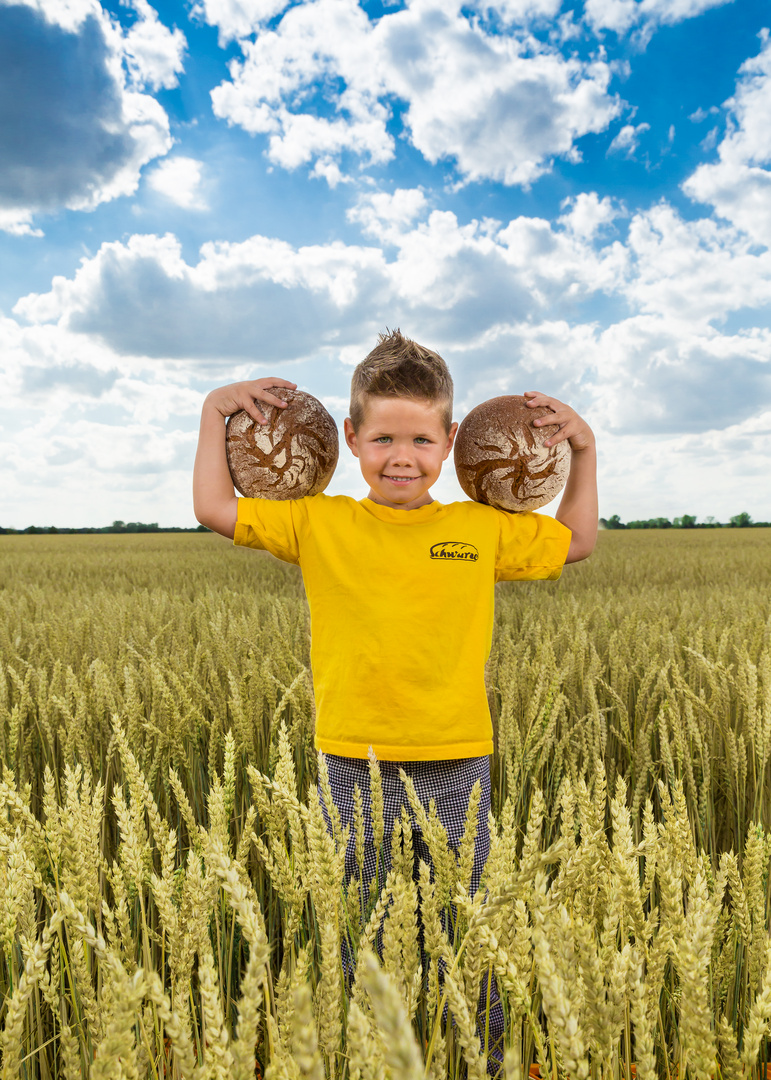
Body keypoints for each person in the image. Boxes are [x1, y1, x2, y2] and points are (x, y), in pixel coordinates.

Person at [193, 329, 598, 1074]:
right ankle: (374, 1055)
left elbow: (573, 542)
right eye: (382, 438)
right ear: (350, 439)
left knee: (464, 926)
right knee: (362, 926)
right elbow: (216, 506)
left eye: (419, 438)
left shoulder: (480, 529)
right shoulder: (319, 521)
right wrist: (215, 411)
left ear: (449, 442)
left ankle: (483, 1058)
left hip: (455, 758)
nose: (401, 456)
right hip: (352, 756)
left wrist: (584, 448)